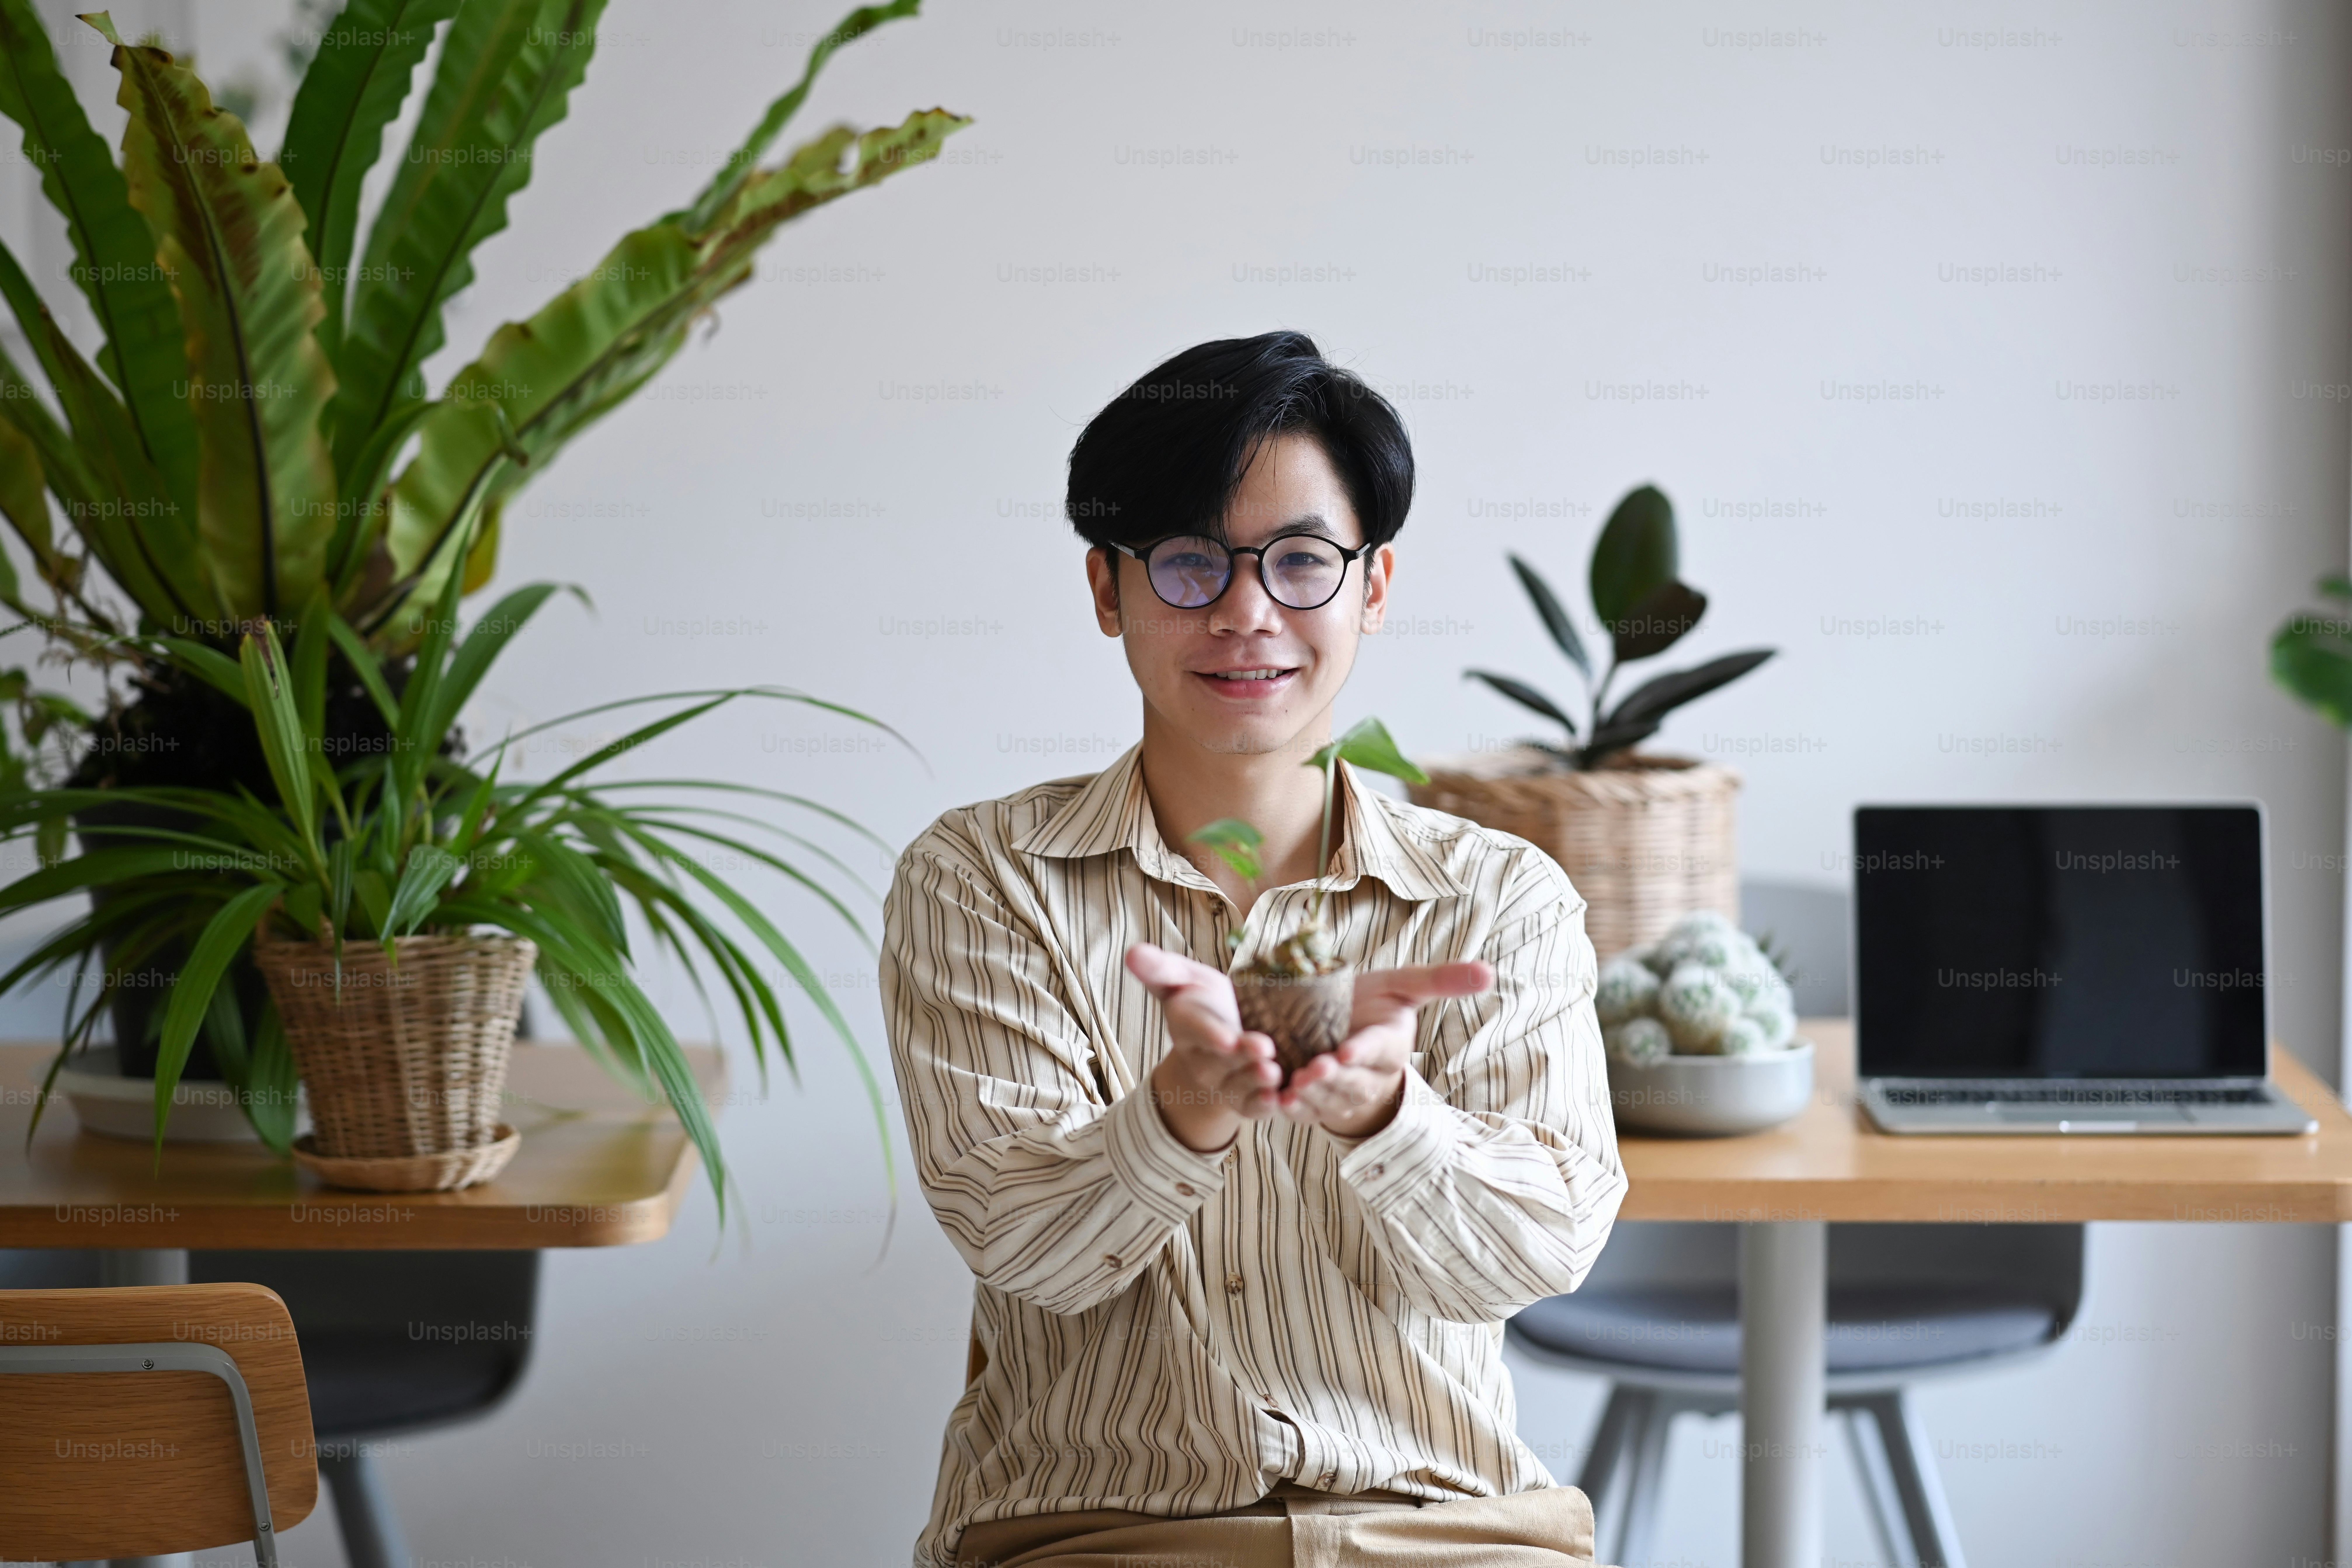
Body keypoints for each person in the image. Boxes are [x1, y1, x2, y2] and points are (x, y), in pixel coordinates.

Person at [882, 331, 1627, 1568]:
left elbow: (1542, 1248)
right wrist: (1183, 1108)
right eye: (1188, 562)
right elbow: (1019, 1240)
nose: (1245, 612)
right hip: (1102, 1534)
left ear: (1372, 589)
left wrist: (1387, 1115)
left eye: (1300, 561)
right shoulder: (982, 878)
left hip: (1446, 1531)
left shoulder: (1501, 899)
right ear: (1107, 591)